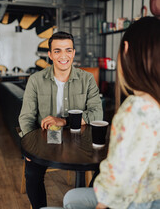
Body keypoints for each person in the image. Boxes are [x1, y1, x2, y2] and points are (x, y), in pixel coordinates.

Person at [63, 16, 160, 209]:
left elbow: (118, 182)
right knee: (71, 198)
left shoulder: (136, 109)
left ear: (126, 50)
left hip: (136, 202)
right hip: (154, 196)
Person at [19, 31, 103, 209]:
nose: (63, 56)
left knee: (104, 167)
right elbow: (26, 117)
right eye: (57, 51)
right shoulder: (35, 80)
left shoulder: (87, 79)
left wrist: (64, 121)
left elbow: (97, 113)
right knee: (32, 172)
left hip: (81, 139)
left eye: (68, 50)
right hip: (46, 139)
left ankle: (84, 204)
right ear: (50, 55)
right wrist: (29, 146)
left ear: (73, 53)